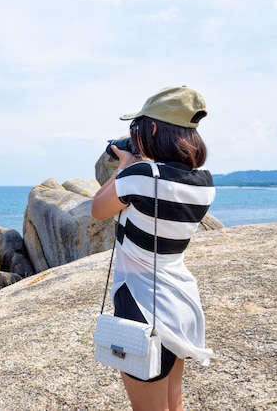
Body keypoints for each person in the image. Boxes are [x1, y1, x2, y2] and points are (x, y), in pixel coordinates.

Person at [91, 86, 215, 411]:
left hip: (141, 305)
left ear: (154, 129)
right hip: (180, 303)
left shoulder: (142, 175)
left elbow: (98, 209)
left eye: (139, 129)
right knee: (174, 403)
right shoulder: (204, 182)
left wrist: (126, 163)